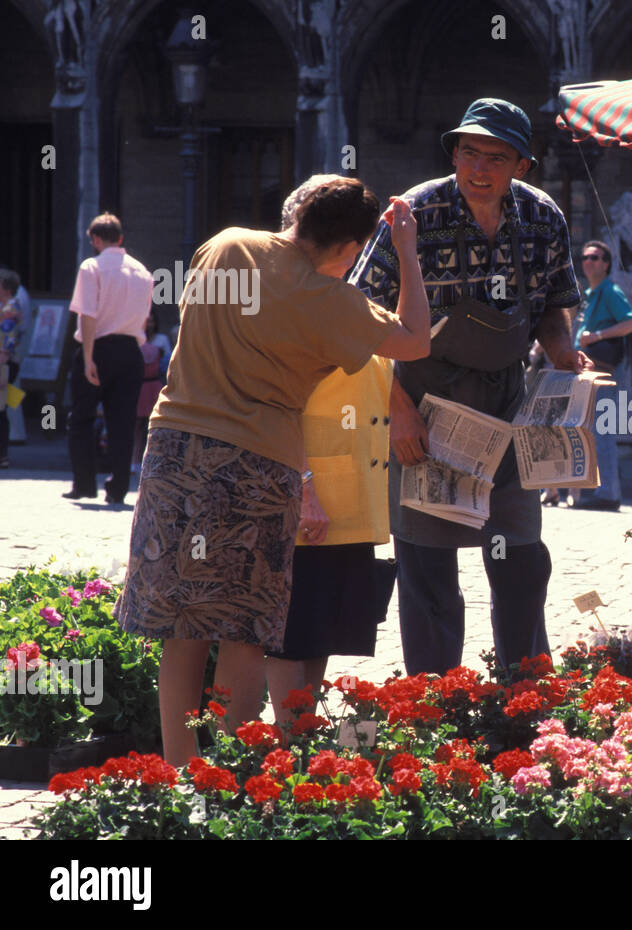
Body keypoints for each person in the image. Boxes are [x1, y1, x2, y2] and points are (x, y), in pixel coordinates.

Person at [115, 178, 432, 764]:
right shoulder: (330, 300)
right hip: (257, 461)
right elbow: (414, 341)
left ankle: (179, 769)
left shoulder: (227, 245)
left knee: (182, 628)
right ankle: (227, 769)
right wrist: (407, 251)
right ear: (350, 249)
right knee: (245, 627)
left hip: (174, 450)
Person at [350, 97, 590, 678]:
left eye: (496, 156)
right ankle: (437, 699)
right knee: (428, 563)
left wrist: (562, 353)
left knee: (521, 556)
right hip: (426, 406)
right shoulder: (417, 213)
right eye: (469, 152)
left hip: (510, 403)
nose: (479, 167)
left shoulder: (542, 216)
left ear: (522, 165)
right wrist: (397, 411)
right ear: (454, 153)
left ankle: (524, 691)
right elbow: (357, 319)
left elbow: (555, 307)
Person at [264, 175, 399, 726]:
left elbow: (410, 342)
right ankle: (285, 734)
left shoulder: (343, 299)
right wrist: (305, 488)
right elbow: (281, 406)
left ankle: (303, 727)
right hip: (313, 494)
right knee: (289, 630)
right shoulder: (293, 305)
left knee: (320, 626)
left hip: (351, 498)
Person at [64, 215, 154, 504]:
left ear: (95, 240)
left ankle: (84, 483)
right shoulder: (143, 271)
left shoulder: (92, 267)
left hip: (99, 346)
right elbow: (144, 319)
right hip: (131, 351)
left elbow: (87, 314)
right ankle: (118, 487)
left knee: (81, 417)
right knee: (123, 421)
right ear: (121, 238)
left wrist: (89, 357)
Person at [564, 239, 632, 511]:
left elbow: (631, 322)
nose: (588, 262)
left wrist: (597, 335)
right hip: (586, 375)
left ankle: (608, 495)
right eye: (585, 257)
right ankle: (598, 491)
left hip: (601, 374)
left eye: (595, 257)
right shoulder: (591, 293)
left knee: (601, 433)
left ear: (606, 264)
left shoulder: (610, 290)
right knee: (590, 434)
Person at [132, 310, 172, 470]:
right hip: (138, 385)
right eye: (146, 321)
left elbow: (168, 362)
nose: (149, 324)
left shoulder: (161, 340)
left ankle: (150, 461)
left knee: (153, 425)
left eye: (151, 321)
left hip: (154, 384)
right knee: (136, 425)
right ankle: (134, 460)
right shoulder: (135, 338)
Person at [0, 269, 24, 468]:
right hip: (6, 362)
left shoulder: (9, 308)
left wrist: (1, 364)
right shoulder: (7, 306)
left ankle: (2, 455)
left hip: (3, 363)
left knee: (1, 408)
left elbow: (6, 342)